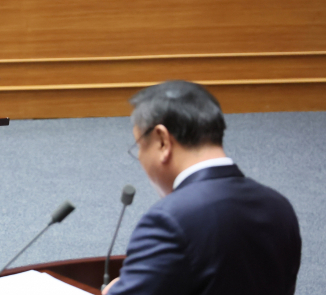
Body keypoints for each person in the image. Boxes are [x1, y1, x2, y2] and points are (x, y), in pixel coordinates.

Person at [104, 80, 301, 295]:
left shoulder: (169, 220)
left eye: (140, 146)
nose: (141, 158)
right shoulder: (280, 206)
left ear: (162, 140)